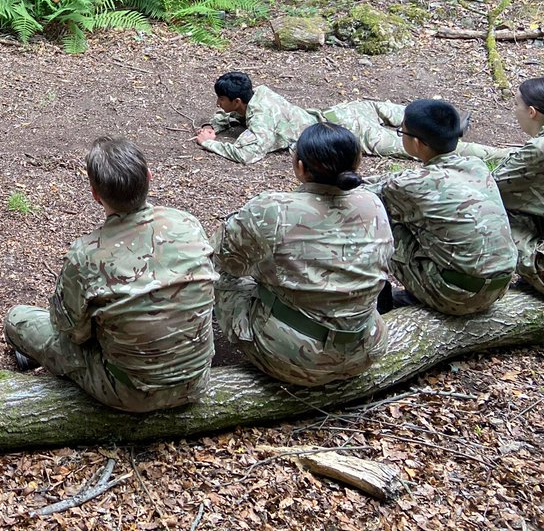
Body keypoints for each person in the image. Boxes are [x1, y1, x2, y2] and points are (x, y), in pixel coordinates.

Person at [4, 137, 216, 412]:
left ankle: (37, 357)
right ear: (149, 177)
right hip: (197, 380)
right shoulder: (188, 224)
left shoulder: (86, 254)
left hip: (130, 393)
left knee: (18, 318)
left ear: (95, 194)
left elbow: (70, 330)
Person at [215, 123, 394, 386]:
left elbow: (224, 258)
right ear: (356, 163)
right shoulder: (373, 203)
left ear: (300, 166)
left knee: (227, 278)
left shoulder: (273, 209)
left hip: (295, 360)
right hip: (364, 350)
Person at [369, 99, 516, 315]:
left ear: (417, 143)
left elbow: (365, 193)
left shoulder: (409, 184)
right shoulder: (476, 166)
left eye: (402, 132)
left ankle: (381, 304)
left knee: (379, 214)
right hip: (499, 287)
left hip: (458, 296)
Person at [196, 70, 506, 164]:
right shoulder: (258, 92)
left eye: (220, 99)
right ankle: (451, 121)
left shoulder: (261, 116)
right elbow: (236, 116)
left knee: (433, 145)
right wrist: (217, 122)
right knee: (405, 113)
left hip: (342, 130)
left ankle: (500, 155)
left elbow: (248, 152)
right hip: (344, 111)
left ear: (235, 100)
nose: (217, 103)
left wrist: (209, 143)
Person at [493, 78, 544, 293]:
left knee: (487, 218)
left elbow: (489, 187)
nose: (515, 111)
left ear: (532, 112)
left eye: (516, 105)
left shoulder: (538, 150)